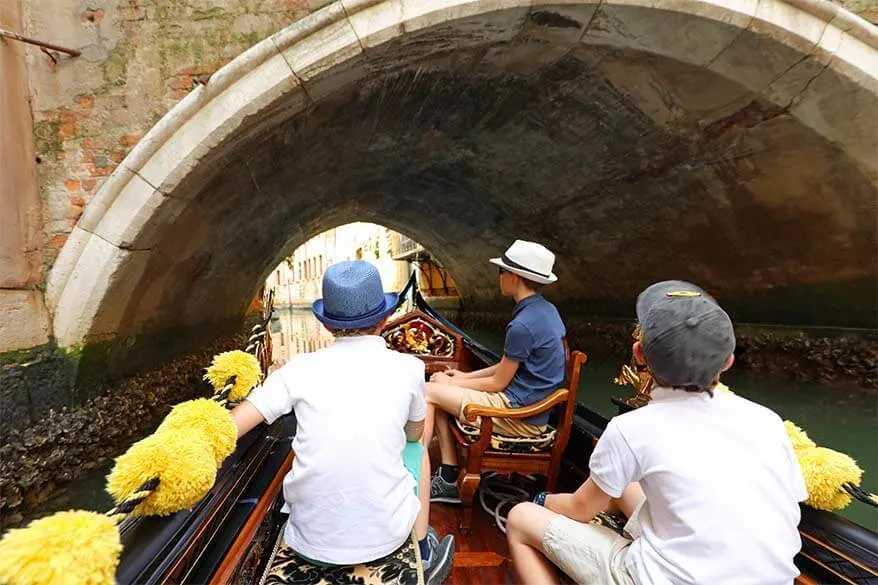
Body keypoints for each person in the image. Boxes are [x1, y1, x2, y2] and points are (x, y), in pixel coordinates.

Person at [505, 280, 807, 585]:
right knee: (625, 487)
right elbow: (793, 497)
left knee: (520, 517)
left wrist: (544, 500)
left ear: (639, 355)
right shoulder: (767, 420)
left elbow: (580, 509)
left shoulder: (631, 428)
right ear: (727, 362)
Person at [231, 260, 454, 584]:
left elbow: (232, 425)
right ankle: (422, 548)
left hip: (308, 543)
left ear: (327, 325)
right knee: (416, 448)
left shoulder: (297, 369)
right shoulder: (410, 368)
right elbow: (415, 432)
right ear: (385, 319)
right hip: (385, 541)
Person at [426, 240, 566, 503]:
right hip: (528, 406)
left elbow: (498, 384)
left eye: (501, 272)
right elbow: (505, 366)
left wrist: (450, 385)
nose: (499, 277)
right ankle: (448, 474)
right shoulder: (546, 311)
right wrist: (462, 378)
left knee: (427, 392)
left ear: (514, 277)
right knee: (440, 389)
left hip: (520, 418)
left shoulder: (523, 324)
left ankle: (431, 475)